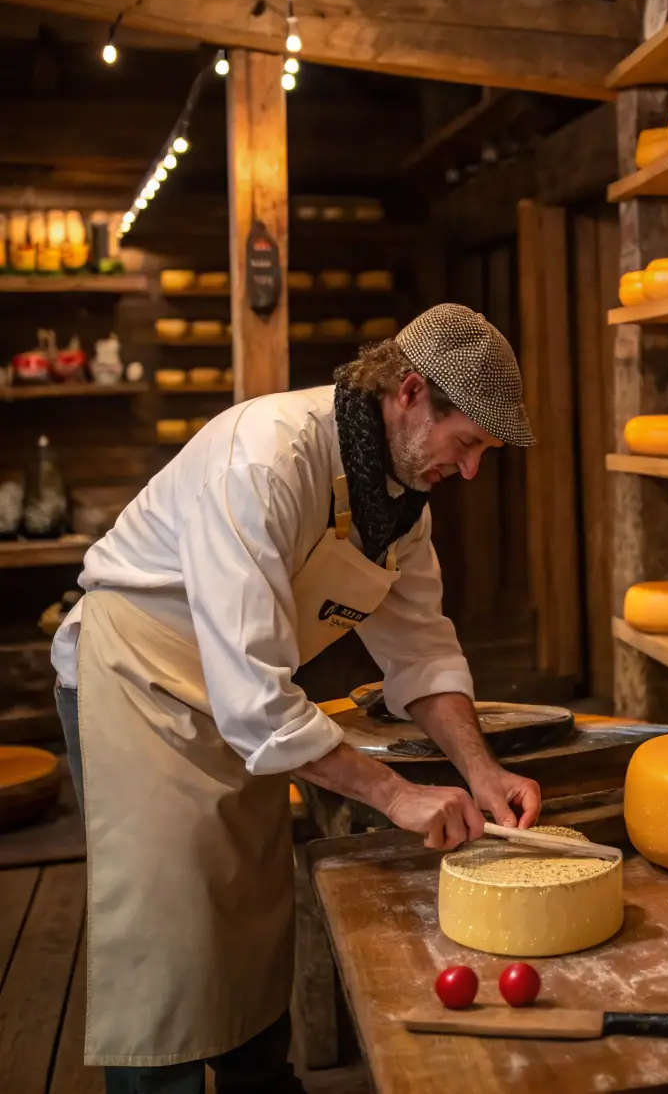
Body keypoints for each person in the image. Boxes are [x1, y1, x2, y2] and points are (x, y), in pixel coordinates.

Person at [51, 303, 541, 1094]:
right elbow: (255, 702)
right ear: (411, 392)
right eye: (468, 443)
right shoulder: (265, 459)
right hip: (140, 679)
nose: (472, 470)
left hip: (237, 700)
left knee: (248, 923)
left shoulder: (399, 506)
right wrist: (397, 794)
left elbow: (421, 652)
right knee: (167, 943)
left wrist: (481, 771)